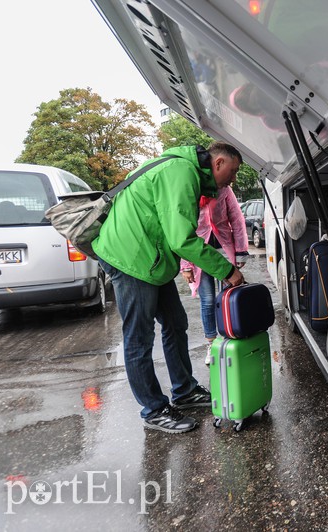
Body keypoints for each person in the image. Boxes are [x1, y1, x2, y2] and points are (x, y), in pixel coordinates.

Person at [93, 142, 245, 434]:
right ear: (218, 163)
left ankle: (184, 390)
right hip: (131, 258)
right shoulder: (181, 171)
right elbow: (182, 239)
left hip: (152, 258)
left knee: (176, 322)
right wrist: (228, 271)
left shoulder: (185, 169)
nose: (233, 179)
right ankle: (153, 409)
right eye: (233, 171)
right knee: (139, 337)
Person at [180, 184, 248, 365]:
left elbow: (236, 217)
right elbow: (182, 228)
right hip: (199, 255)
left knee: (230, 297)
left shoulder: (224, 189)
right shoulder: (190, 186)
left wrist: (241, 250)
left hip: (224, 249)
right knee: (208, 300)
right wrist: (185, 265)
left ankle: (233, 337)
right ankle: (211, 343)